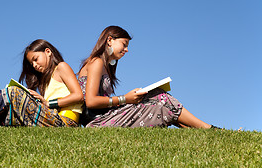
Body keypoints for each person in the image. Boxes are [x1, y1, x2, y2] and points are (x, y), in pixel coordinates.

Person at [77, 26, 220, 129]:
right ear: (109, 40)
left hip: (106, 116)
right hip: (100, 122)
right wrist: (125, 99)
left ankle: (198, 129)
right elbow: (90, 101)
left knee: (158, 95)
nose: (126, 50)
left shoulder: (104, 66)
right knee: (161, 102)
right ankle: (208, 129)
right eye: (124, 44)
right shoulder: (97, 62)